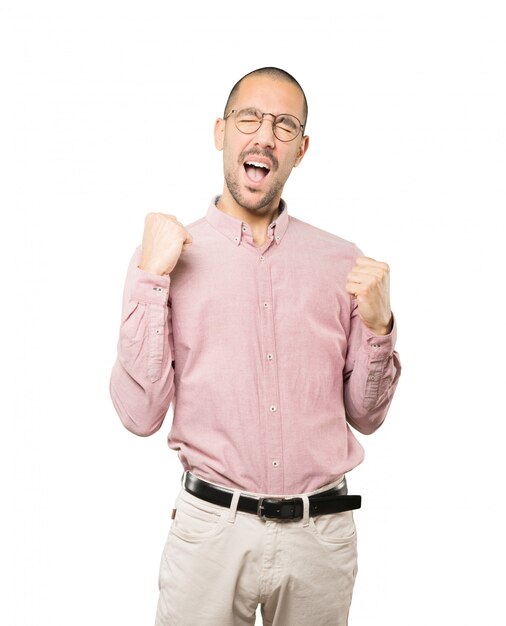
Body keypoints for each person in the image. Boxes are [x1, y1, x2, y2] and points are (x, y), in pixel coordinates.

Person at [109, 66, 401, 626]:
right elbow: (140, 415)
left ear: (302, 149)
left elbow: (367, 416)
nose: (264, 135)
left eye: (284, 125)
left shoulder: (343, 262)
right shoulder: (164, 256)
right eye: (249, 118)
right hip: (210, 535)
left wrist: (381, 325)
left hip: (322, 536)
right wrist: (150, 277)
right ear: (221, 131)